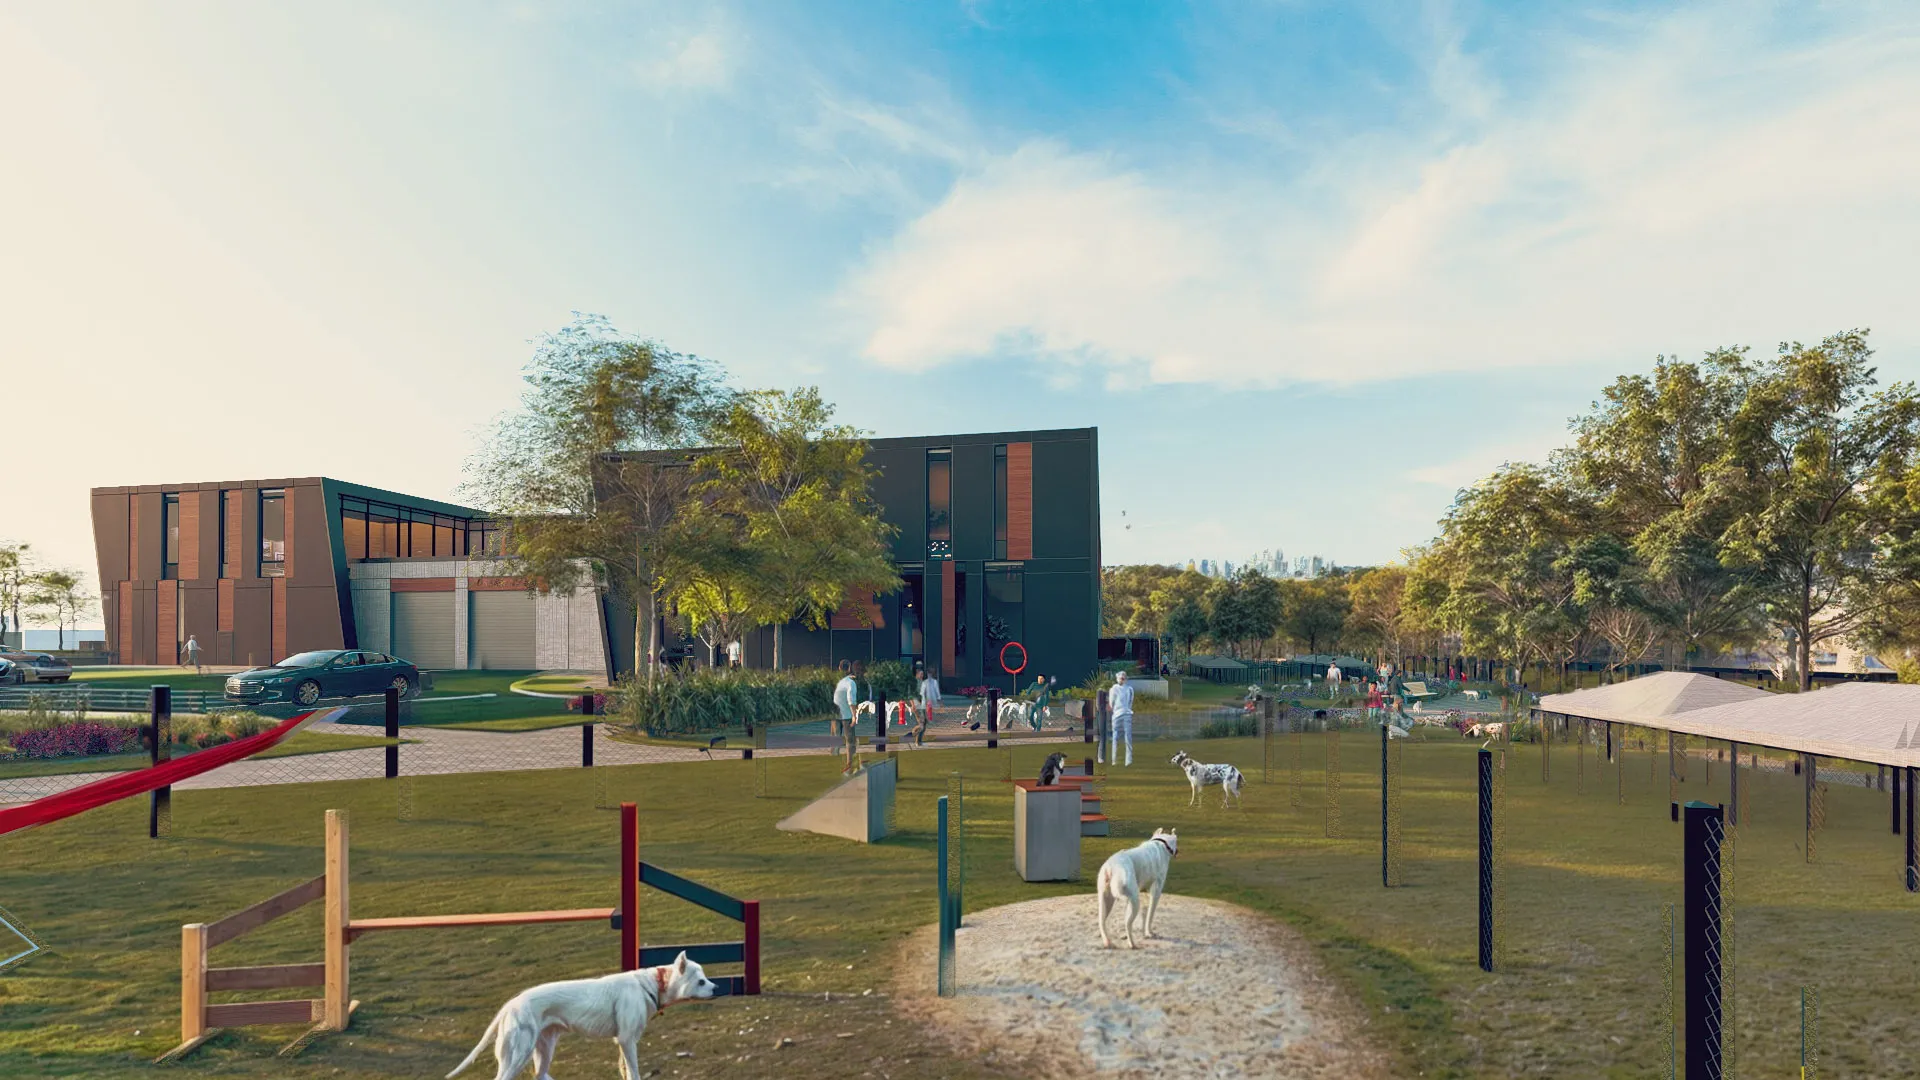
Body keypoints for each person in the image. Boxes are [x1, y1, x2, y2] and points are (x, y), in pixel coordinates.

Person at [1108, 670, 1135, 767]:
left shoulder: (1130, 689)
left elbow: (1130, 702)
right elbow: (1111, 703)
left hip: (1126, 714)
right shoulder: (1114, 689)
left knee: (1128, 737)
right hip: (1116, 715)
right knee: (1115, 737)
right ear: (1117, 678)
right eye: (1120, 678)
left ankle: (1128, 760)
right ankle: (1114, 760)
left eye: (1123, 678)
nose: (1122, 680)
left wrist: (1126, 710)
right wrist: (1116, 710)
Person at [916, 666, 941, 746]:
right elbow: (921, 694)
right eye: (921, 674)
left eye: (923, 674)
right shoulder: (923, 683)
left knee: (924, 723)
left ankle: (918, 740)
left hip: (924, 706)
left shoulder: (925, 682)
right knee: (922, 724)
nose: (922, 675)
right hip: (922, 706)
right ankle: (917, 740)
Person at [832, 661, 856, 740]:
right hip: (847, 715)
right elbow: (851, 700)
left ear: (839, 668)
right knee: (850, 742)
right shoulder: (850, 682)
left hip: (835, 715)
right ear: (849, 669)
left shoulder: (834, 681)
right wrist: (854, 716)